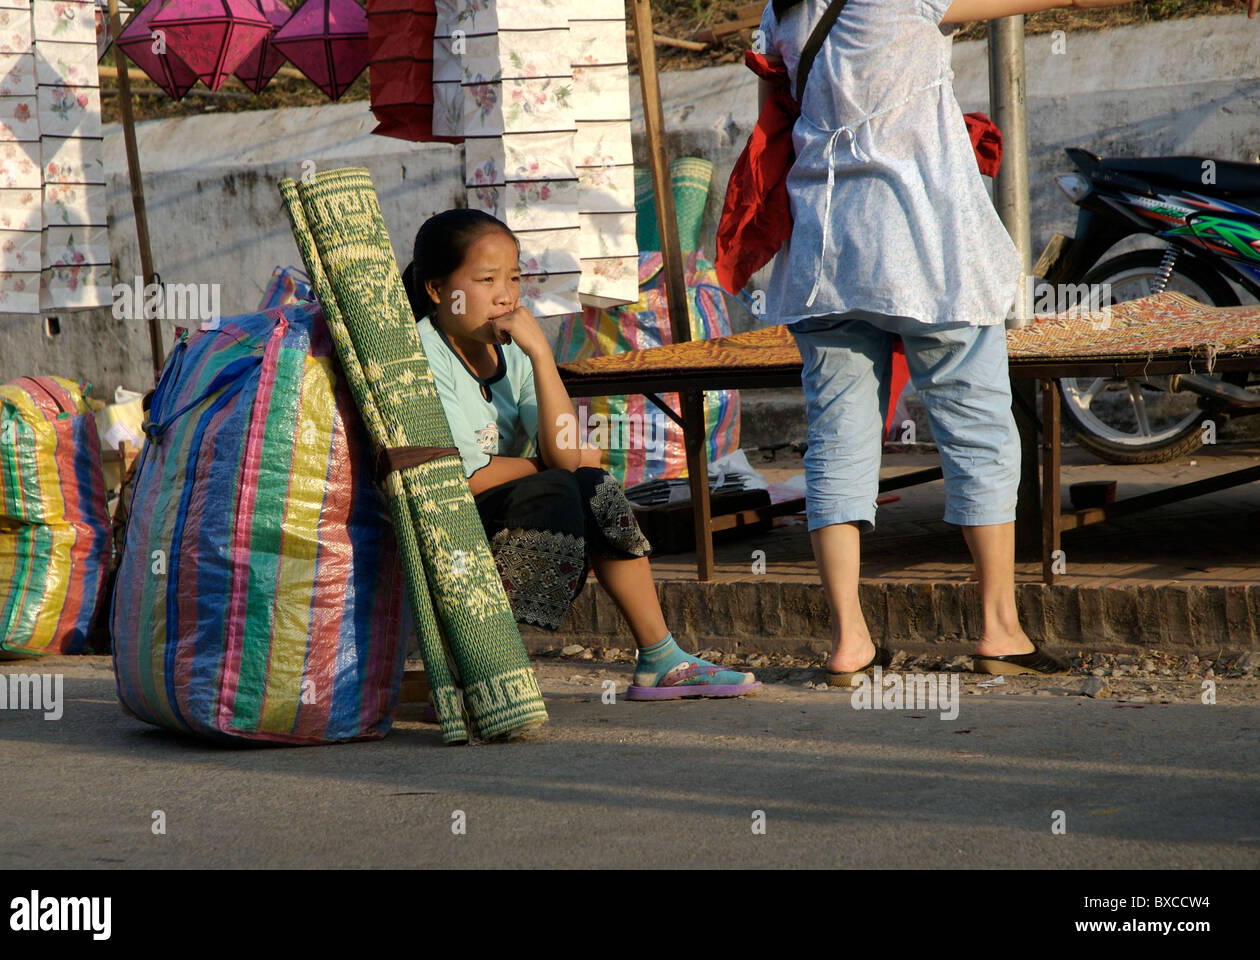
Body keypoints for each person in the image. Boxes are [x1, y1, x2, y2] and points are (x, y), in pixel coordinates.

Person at [756, 0, 1256, 683]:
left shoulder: (778, 7)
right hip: (926, 255)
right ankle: (998, 628)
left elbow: (775, 114)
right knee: (979, 430)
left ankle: (850, 644)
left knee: (838, 441)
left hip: (821, 255)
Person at [404, 209, 761, 700]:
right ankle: (481, 659)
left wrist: (541, 357)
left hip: (508, 504)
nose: (505, 295)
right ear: (437, 290)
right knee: (558, 485)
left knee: (590, 486)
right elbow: (463, 477)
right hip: (448, 517)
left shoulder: (512, 352)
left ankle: (660, 657)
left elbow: (571, 457)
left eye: (513, 278)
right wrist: (547, 464)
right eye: (486, 280)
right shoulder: (423, 352)